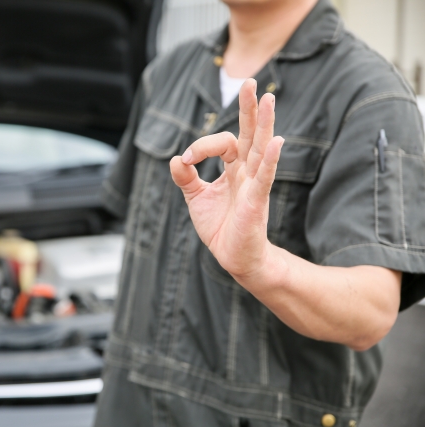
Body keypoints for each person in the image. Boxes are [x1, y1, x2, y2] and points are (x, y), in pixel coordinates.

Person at [94, 0, 425, 426]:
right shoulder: (167, 72)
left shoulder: (369, 94)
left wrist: (260, 264)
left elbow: (370, 314)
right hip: (128, 406)